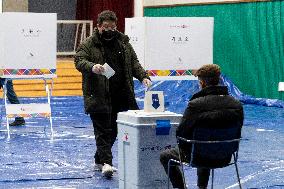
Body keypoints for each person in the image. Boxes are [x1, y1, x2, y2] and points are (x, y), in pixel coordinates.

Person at [74, 10, 151, 178]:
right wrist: (92, 66)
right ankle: (107, 163)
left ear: (116, 26)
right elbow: (79, 60)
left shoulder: (123, 43)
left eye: (112, 26)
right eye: (105, 27)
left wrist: (143, 76)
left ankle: (98, 159)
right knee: (102, 131)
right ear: (99, 26)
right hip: (98, 95)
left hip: (121, 94)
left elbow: (134, 62)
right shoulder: (88, 43)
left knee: (115, 131)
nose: (109, 29)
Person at [160, 64, 243, 189]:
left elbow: (181, 133)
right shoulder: (236, 104)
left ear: (202, 83)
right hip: (226, 156)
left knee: (166, 155)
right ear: (218, 80)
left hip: (199, 156)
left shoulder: (195, 105)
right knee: (204, 144)